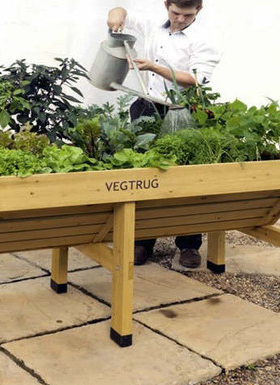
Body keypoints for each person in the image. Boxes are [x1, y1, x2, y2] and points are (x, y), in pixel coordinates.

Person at [107, 0, 221, 268]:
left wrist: (154, 67)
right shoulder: (153, 25)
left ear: (198, 11)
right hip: (147, 105)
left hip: (184, 110)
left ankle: (189, 245)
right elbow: (121, 14)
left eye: (187, 15)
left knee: (187, 179)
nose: (180, 19)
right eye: (175, 12)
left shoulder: (205, 40)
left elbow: (197, 80)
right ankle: (142, 242)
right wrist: (115, 16)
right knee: (146, 176)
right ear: (166, 6)